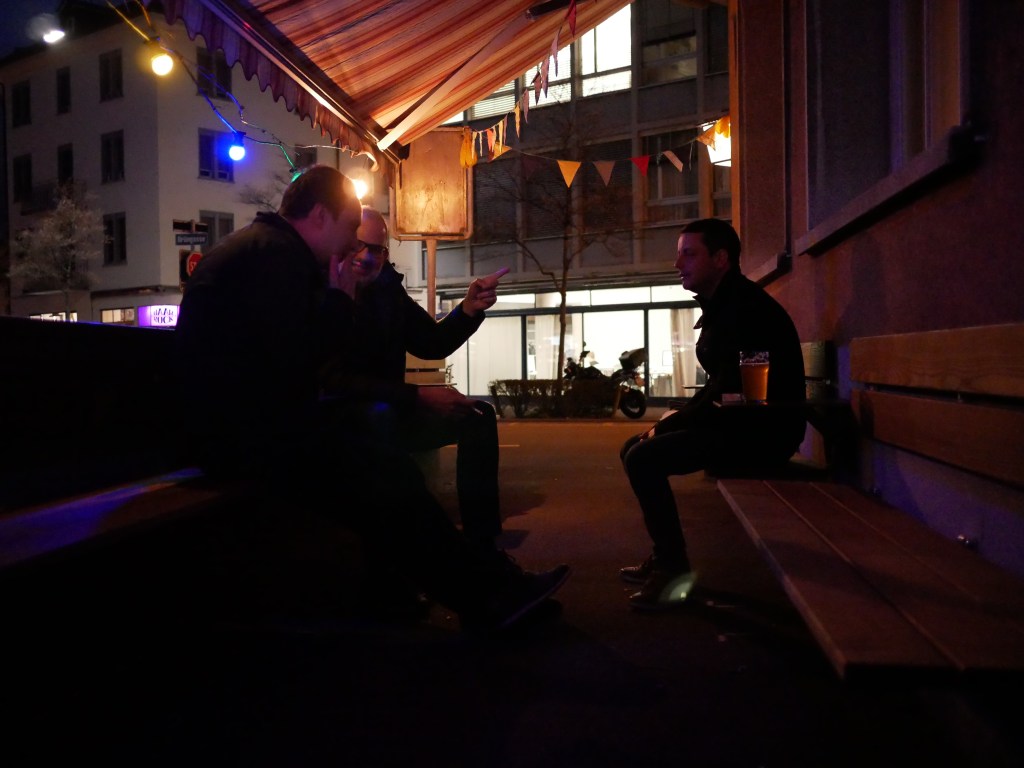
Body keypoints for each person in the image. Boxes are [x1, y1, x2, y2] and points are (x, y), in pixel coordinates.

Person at [175, 165, 569, 631]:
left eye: (371, 245)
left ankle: (484, 588)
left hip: (247, 429)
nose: (351, 245)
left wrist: (462, 311)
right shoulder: (279, 260)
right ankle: (480, 596)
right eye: (349, 230)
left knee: (387, 467)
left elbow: (293, 365)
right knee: (382, 471)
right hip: (241, 441)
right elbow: (307, 367)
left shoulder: (272, 252)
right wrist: (342, 305)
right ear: (320, 216)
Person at [619, 218, 805, 611]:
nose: (678, 264)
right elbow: (723, 385)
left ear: (721, 259)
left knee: (642, 457)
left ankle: (672, 570)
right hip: (740, 422)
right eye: (679, 255)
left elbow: (736, 387)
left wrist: (673, 422)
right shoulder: (726, 303)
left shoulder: (745, 309)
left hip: (761, 432)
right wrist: (673, 421)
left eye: (689, 254)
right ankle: (666, 556)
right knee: (634, 448)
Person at [322, 206, 507, 556]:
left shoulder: (387, 289)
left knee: (478, 416)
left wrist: (469, 309)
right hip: (340, 421)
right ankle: (417, 558)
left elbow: (430, 342)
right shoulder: (322, 289)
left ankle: (483, 547)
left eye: (377, 249)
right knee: (379, 421)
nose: (366, 257)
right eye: (358, 245)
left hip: (392, 408)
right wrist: (418, 396)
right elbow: (331, 379)